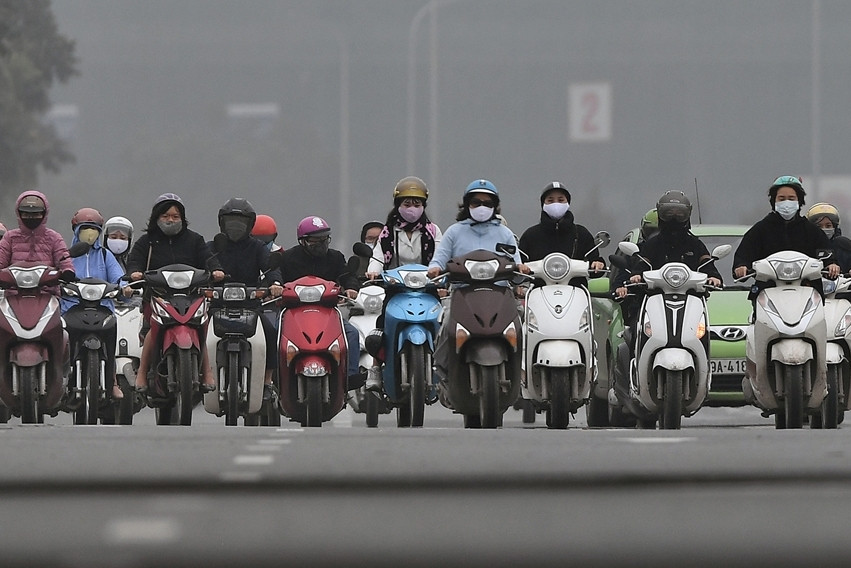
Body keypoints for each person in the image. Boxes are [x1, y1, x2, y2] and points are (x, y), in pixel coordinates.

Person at [426, 179, 528, 391]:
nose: (482, 207)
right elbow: (439, 259)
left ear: (495, 206)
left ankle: (522, 370)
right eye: (476, 202)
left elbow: (516, 262)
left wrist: (521, 269)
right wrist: (435, 269)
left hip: (499, 293)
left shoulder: (504, 233)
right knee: (446, 325)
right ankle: (442, 369)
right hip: (463, 294)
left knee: (522, 323)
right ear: (467, 205)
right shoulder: (454, 232)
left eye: (487, 203)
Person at [125, 193, 224, 393]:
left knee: (199, 326)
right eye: (166, 216)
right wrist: (134, 272)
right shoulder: (147, 242)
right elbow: (134, 260)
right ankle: (143, 373)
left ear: (183, 218)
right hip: (157, 296)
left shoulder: (195, 240)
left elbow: (208, 258)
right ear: (156, 218)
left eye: (175, 216)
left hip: (191, 296)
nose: (171, 220)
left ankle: (207, 371)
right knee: (154, 328)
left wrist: (216, 270)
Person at [362, 176, 443, 391]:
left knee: (444, 325)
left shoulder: (432, 231)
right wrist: (373, 272)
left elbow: (440, 255)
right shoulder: (388, 232)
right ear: (398, 205)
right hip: (396, 288)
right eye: (407, 203)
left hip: (428, 288)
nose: (411, 208)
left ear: (424, 206)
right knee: (381, 326)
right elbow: (378, 257)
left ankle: (445, 369)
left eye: (416, 204)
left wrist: (440, 273)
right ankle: (376, 368)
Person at [276, 215, 363, 388]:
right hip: (294, 313)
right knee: (274, 335)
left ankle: (350, 376)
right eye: (315, 240)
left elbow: (347, 276)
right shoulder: (288, 258)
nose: (321, 244)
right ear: (303, 241)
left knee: (351, 334)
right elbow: (277, 276)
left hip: (328, 312)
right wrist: (276, 286)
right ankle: (274, 379)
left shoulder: (336, 257)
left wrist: (351, 288)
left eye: (324, 239)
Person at [211, 198, 283, 400]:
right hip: (217, 305)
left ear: (250, 224)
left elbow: (271, 267)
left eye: (240, 222)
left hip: (251, 306)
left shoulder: (258, 247)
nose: (235, 226)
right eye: (230, 221)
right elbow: (203, 265)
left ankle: (267, 382)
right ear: (222, 222)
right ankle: (200, 375)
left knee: (271, 331)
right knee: (197, 331)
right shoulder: (213, 246)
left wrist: (275, 283)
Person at [60, 207, 126, 400]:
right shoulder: (66, 255)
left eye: (94, 229)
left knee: (111, 335)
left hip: (102, 307)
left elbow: (119, 277)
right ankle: (61, 378)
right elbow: (57, 272)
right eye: (84, 228)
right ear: (76, 230)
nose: (89, 233)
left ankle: (112, 380)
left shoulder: (106, 255)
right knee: (61, 339)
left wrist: (125, 287)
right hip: (71, 306)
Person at [733, 176, 839, 292]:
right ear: (774, 201)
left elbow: (828, 255)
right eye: (782, 198)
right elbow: (744, 255)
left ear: (799, 201)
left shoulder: (812, 231)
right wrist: (741, 266)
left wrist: (831, 265)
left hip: (808, 291)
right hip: (768, 291)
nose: (787, 202)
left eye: (791, 198)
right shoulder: (760, 229)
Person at [518, 180, 605, 287]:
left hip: (576, 294)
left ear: (568, 203)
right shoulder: (531, 235)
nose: (556, 204)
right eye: (550, 200)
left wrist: (598, 265)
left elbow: (595, 265)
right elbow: (518, 267)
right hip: (538, 294)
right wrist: (520, 269)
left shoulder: (581, 233)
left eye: (560, 200)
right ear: (543, 204)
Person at [0, 191, 75, 281]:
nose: (31, 218)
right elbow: (1, 259)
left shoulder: (54, 237)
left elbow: (63, 259)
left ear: (44, 214)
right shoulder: (10, 237)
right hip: (14, 291)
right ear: (19, 214)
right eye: (26, 214)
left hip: (47, 291)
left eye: (36, 214)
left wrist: (67, 271)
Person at [806, 202, 851, 273]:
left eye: (828, 226)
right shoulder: (805, 246)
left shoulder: (843, 245)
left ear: (834, 227)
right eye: (819, 226)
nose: (824, 229)